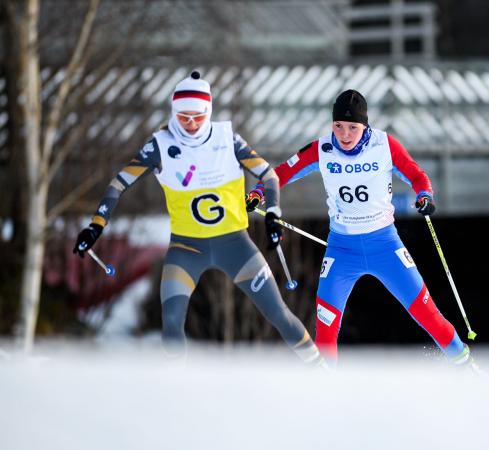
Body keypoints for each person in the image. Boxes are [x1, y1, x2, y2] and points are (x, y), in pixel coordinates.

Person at [73, 71, 324, 366]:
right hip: (186, 249)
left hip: (235, 246)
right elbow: (118, 184)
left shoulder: (226, 138)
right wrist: (96, 226)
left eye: (197, 117)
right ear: (173, 112)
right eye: (183, 117)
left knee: (277, 313)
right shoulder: (159, 145)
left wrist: (272, 214)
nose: (190, 125)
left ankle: (321, 371)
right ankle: (179, 391)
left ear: (209, 112)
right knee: (171, 321)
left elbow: (269, 175)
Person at [246, 89, 476, 368]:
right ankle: (326, 387)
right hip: (342, 251)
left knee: (427, 315)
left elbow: (416, 174)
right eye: (338, 126)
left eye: (352, 127)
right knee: (326, 327)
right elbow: (281, 173)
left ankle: (466, 366)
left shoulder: (384, 144)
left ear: (365, 126)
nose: (344, 134)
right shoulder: (322, 149)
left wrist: (424, 195)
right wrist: (259, 191)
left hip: (385, 246)